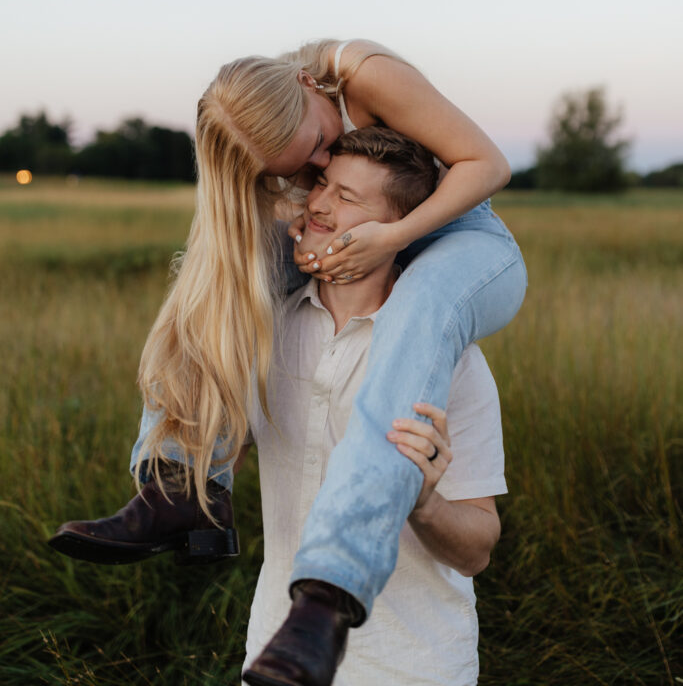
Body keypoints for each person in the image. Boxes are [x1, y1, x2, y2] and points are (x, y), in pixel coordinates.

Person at [49, 39, 525, 676]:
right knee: (216, 272)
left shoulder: (362, 73)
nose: (318, 171)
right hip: (378, 232)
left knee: (425, 301)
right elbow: (257, 237)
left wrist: (393, 236)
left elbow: (486, 165)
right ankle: (178, 484)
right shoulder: (289, 307)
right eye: (304, 174)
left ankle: (334, 584)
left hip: (461, 228)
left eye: (321, 147)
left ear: (308, 84)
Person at [242, 127, 507, 686]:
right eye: (323, 185)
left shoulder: (451, 362)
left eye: (346, 198)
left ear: (393, 231)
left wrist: (426, 503)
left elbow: (478, 550)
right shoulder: (269, 330)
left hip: (413, 664)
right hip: (276, 656)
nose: (317, 204)